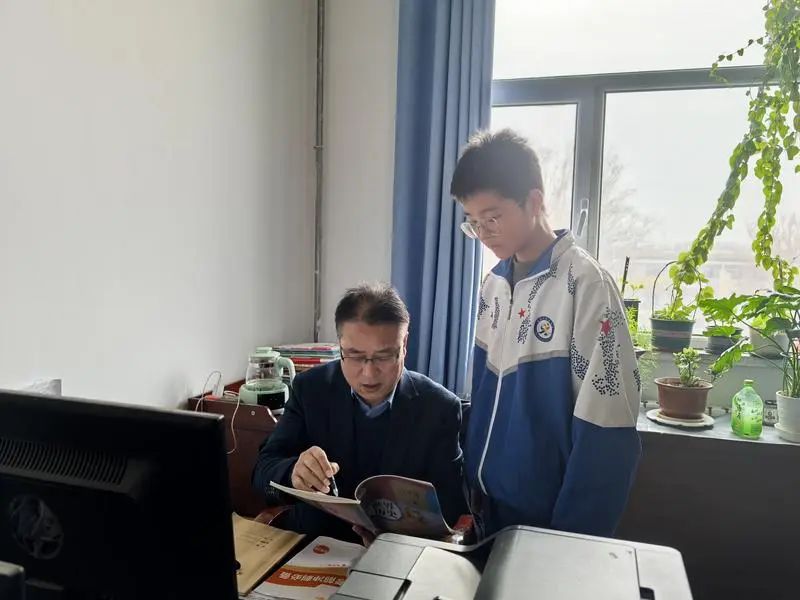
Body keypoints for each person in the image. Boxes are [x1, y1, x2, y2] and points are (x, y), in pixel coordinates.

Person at [451, 129, 641, 539]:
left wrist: (570, 538)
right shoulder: (492, 285)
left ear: (534, 201)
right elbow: (483, 396)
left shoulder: (585, 285)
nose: (483, 233)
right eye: (473, 223)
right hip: (488, 511)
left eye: (492, 218)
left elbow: (607, 430)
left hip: (550, 522)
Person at [252, 283, 467, 543]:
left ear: (404, 344)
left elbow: (451, 506)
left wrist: (397, 535)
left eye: (383, 356)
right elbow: (263, 469)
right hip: (315, 544)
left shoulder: (439, 408)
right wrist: (293, 473)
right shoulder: (310, 389)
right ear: (340, 346)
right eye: (354, 356)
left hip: (397, 550)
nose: (369, 373)